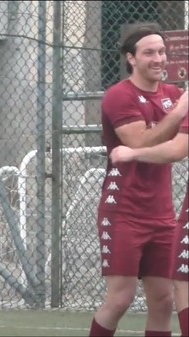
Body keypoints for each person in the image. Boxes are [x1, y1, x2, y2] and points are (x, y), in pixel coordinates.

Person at [88, 26, 188, 337]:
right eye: (149, 52)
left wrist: (179, 108)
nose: (158, 59)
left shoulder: (174, 95)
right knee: (121, 298)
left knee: (163, 299)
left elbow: (178, 149)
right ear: (131, 58)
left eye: (161, 51)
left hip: (161, 214)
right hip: (123, 211)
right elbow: (138, 143)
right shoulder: (119, 95)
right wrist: (178, 113)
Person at [109, 113, 189, 337]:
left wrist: (133, 153)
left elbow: (177, 149)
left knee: (184, 283)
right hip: (135, 214)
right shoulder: (121, 97)